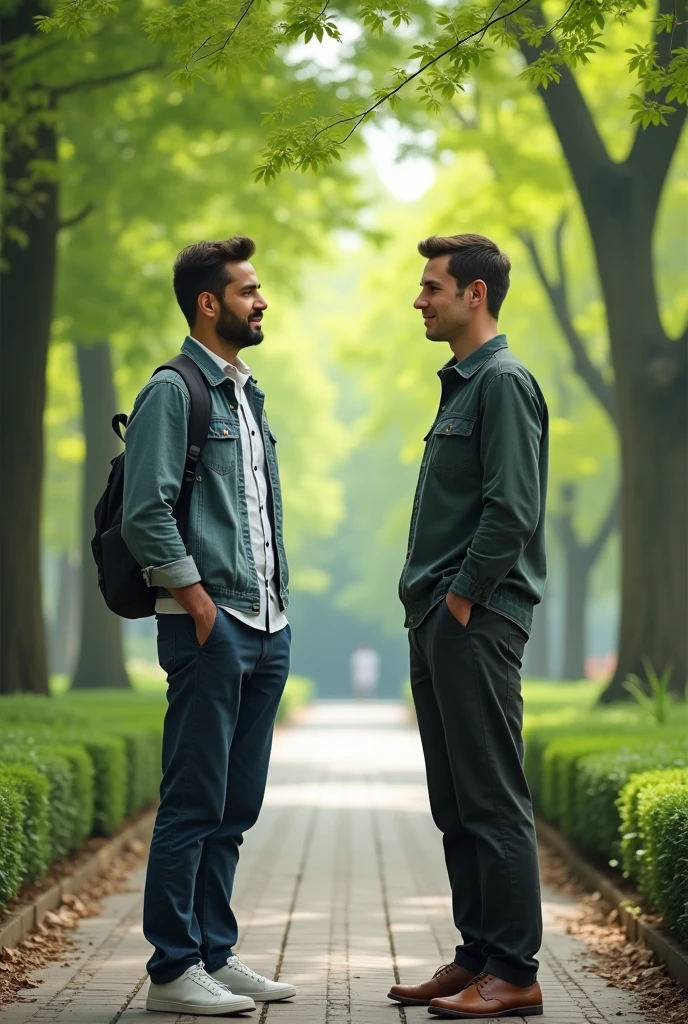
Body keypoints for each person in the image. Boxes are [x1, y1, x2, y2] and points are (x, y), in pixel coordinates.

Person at [122, 237, 296, 1016]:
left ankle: (216, 956)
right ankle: (171, 970)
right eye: (249, 290)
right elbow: (146, 512)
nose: (262, 301)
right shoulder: (175, 390)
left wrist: (277, 610)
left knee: (236, 804)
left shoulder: (246, 395)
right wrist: (197, 604)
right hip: (211, 622)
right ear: (209, 303)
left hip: (266, 625)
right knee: (193, 801)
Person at [389, 234, 548, 1020]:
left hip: (475, 620)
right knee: (454, 803)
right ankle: (479, 954)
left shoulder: (504, 383)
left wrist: (461, 597)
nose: (420, 300)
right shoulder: (462, 384)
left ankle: (515, 971)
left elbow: (512, 509)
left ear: (474, 294)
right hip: (439, 619)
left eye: (431, 287)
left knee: (491, 799)